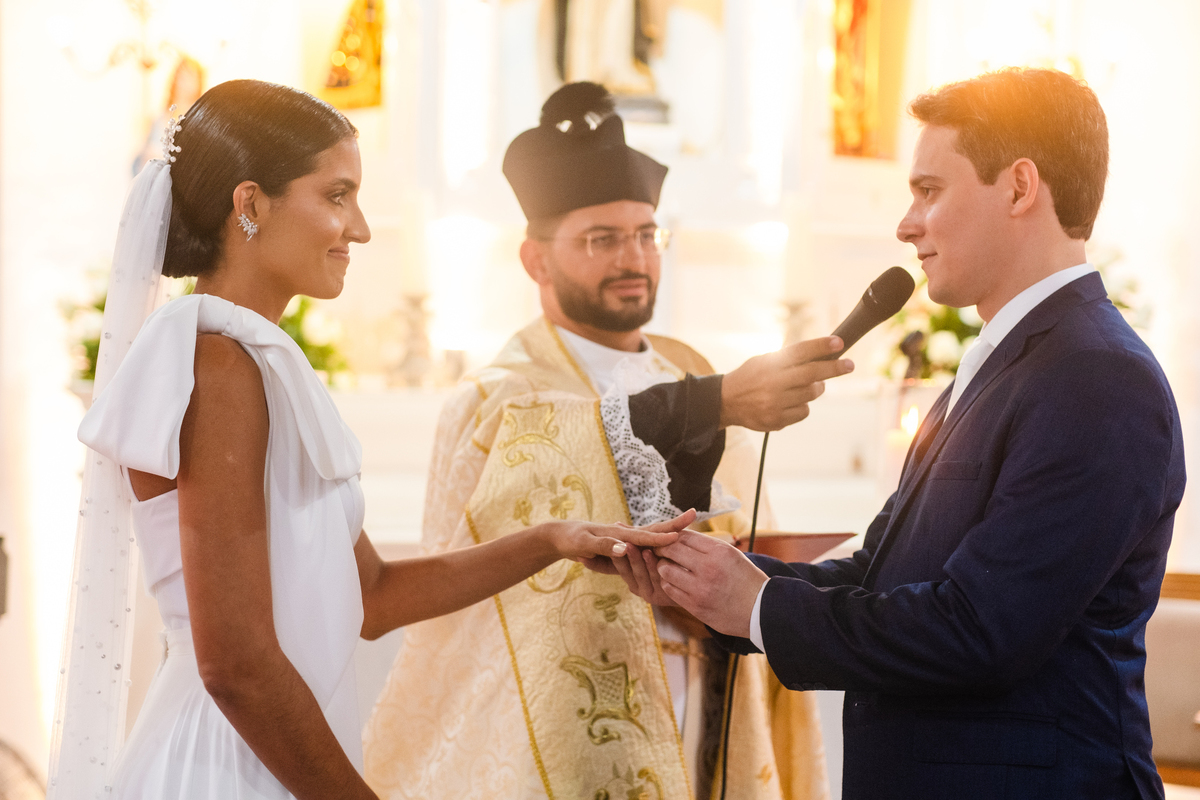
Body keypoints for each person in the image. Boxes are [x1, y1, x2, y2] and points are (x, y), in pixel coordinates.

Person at [55, 79, 684, 800]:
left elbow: (374, 597)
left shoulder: (256, 359)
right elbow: (235, 666)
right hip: (224, 763)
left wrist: (552, 540)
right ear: (250, 203)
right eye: (337, 196)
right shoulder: (218, 364)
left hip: (273, 753)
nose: (360, 229)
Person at [615, 67, 1187, 800]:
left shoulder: (1098, 376)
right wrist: (700, 579)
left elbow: (979, 631)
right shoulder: (1006, 362)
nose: (905, 224)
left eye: (928, 190)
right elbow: (877, 578)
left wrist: (757, 605)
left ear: (1019, 188)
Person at [363, 82, 849, 800]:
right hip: (570, 723)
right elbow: (545, 464)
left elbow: (747, 521)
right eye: (602, 239)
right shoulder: (497, 396)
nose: (634, 258)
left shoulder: (688, 367)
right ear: (536, 260)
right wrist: (716, 401)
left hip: (709, 690)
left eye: (647, 235)